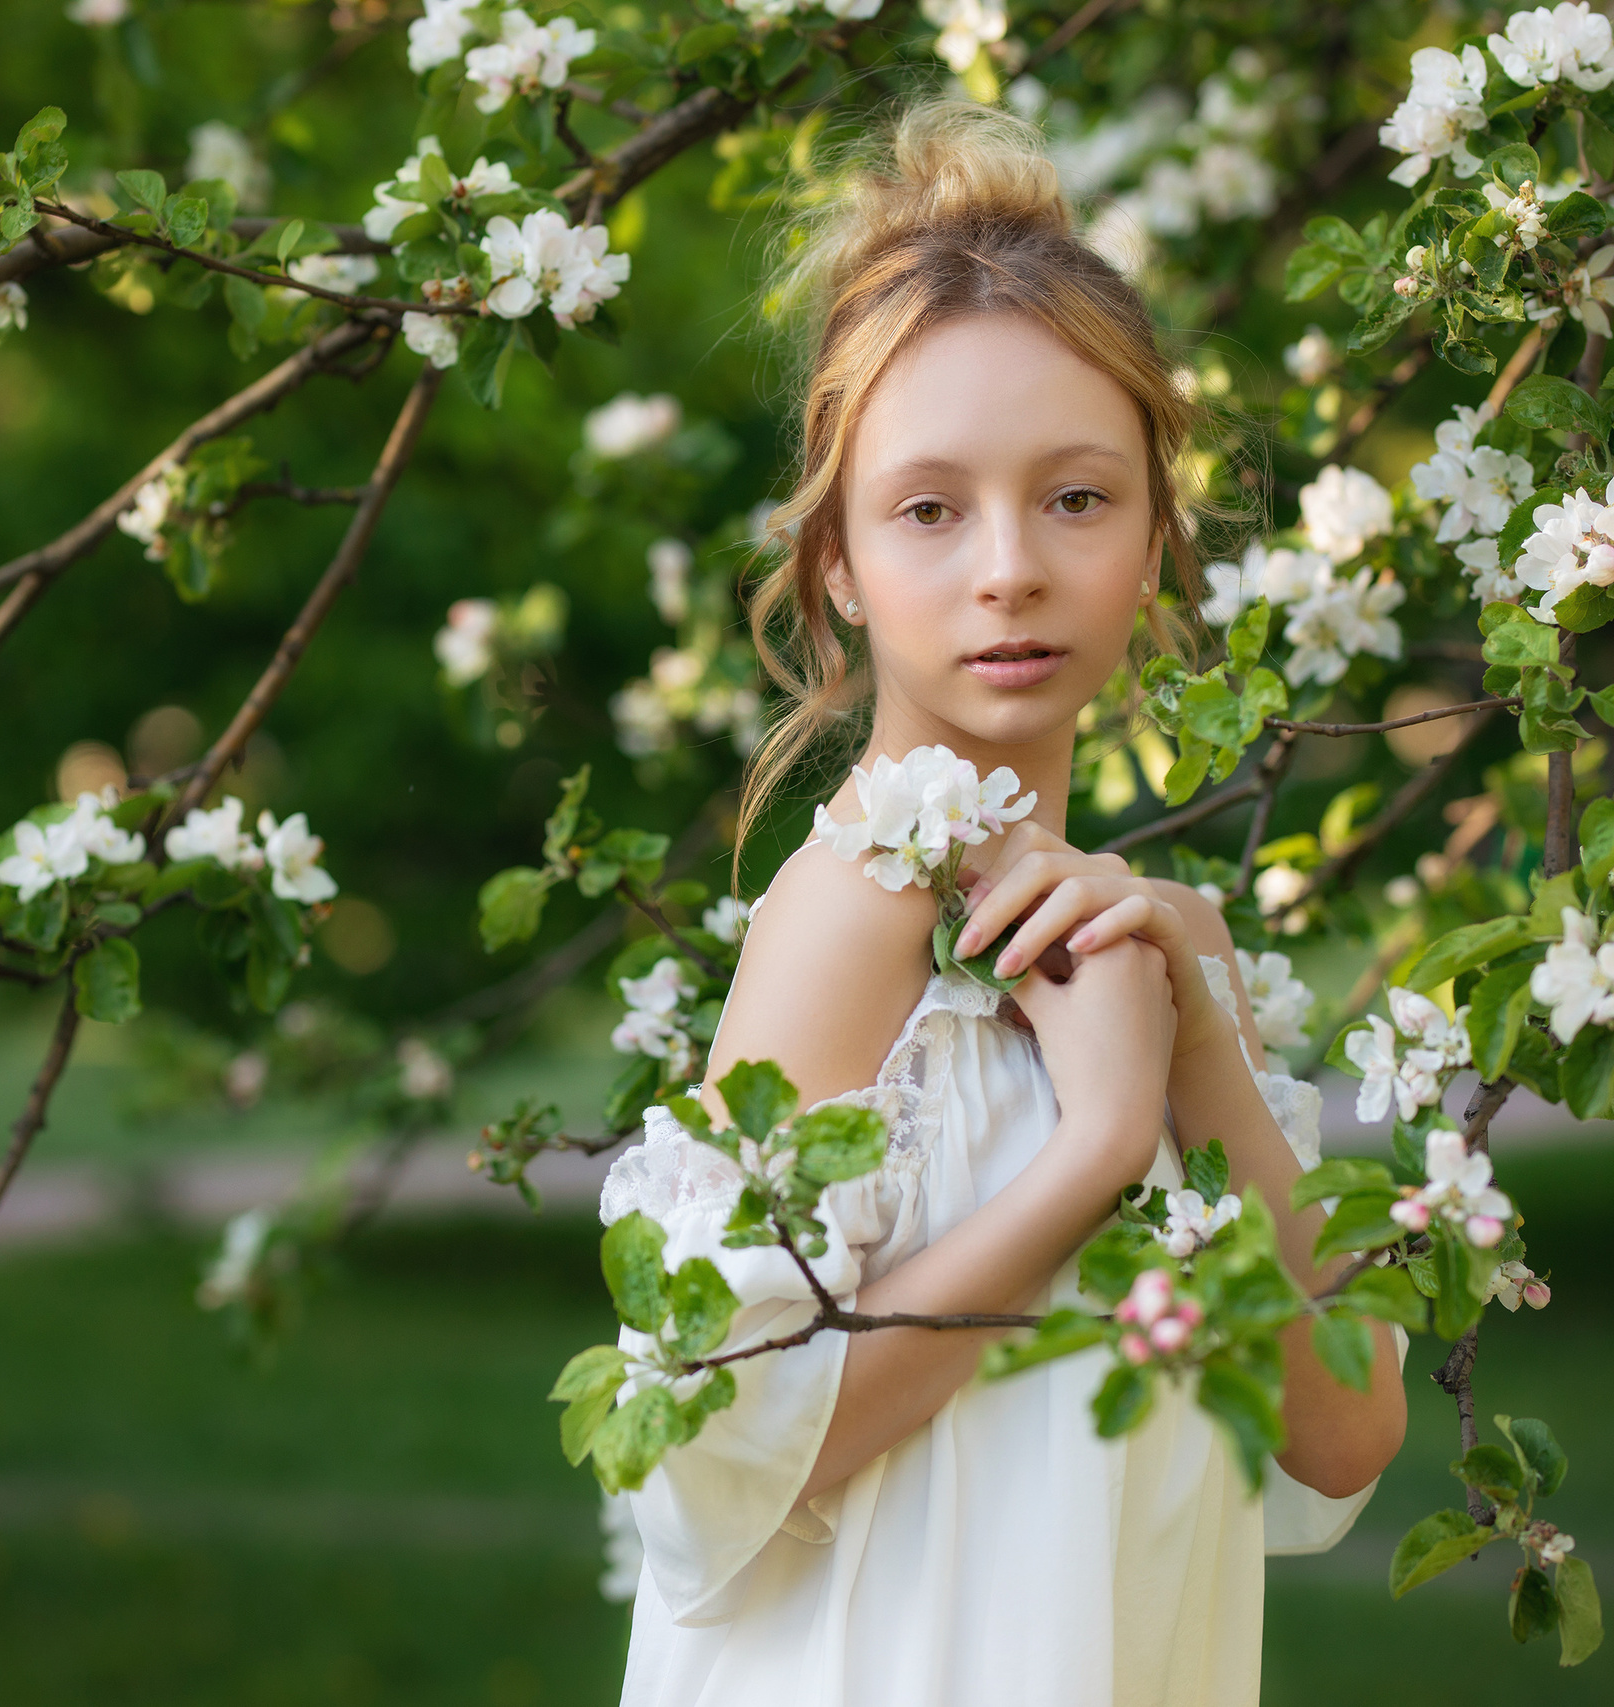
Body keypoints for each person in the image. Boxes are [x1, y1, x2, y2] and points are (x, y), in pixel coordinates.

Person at [598, 100, 1408, 1706]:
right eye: (928, 508)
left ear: (1157, 537)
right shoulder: (849, 914)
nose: (1010, 569)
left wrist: (1192, 1054)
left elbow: (1343, 1433)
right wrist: (1100, 1151)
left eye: (1077, 498)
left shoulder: (1144, 945)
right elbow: (723, 1454)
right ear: (834, 560)